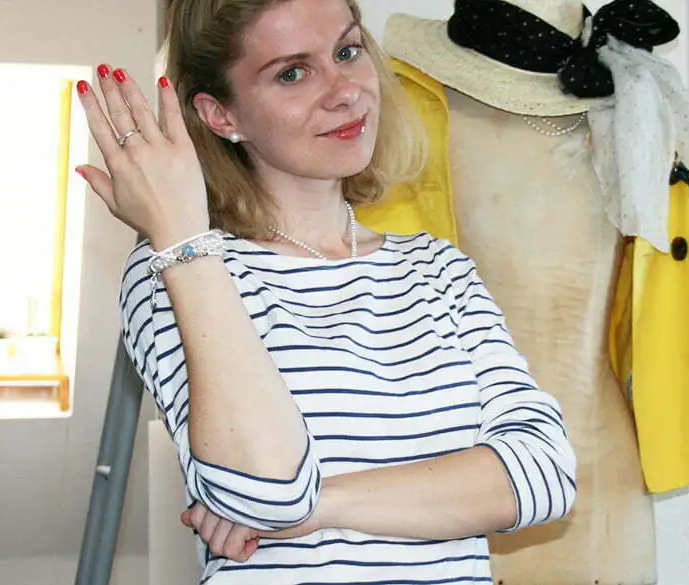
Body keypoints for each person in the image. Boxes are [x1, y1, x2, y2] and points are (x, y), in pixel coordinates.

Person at [73, 0, 576, 582]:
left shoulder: (439, 270)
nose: (345, 91)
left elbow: (546, 475)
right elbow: (266, 492)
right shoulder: (179, 269)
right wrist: (184, 239)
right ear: (221, 114)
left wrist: (320, 505)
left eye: (347, 51)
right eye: (292, 72)